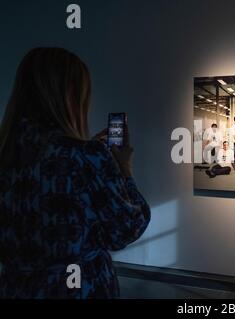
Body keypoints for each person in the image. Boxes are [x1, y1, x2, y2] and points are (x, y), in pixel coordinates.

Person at [0, 48, 151, 298]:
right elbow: (126, 228)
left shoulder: (6, 153)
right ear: (70, 95)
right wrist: (124, 171)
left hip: (17, 288)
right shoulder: (86, 156)